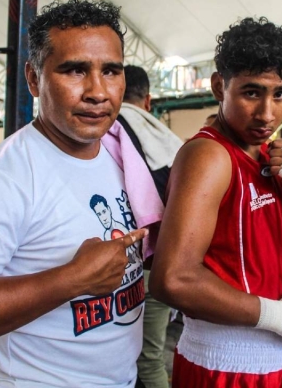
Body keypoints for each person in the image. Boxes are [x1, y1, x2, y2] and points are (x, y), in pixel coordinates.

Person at [0, 0, 155, 388]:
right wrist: (73, 279)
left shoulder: (120, 153)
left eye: (111, 71)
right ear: (33, 79)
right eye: (75, 70)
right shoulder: (3, 178)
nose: (97, 91)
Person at [150, 17, 282, 387]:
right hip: (229, 366)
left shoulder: (271, 155)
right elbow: (172, 279)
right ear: (219, 86)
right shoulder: (209, 156)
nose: (267, 112)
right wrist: (277, 316)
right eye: (251, 92)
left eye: (281, 93)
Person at [117, 64, 183, 388]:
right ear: (148, 100)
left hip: (117, 268)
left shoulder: (107, 133)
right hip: (160, 264)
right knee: (150, 357)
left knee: (122, 357)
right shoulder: (169, 142)